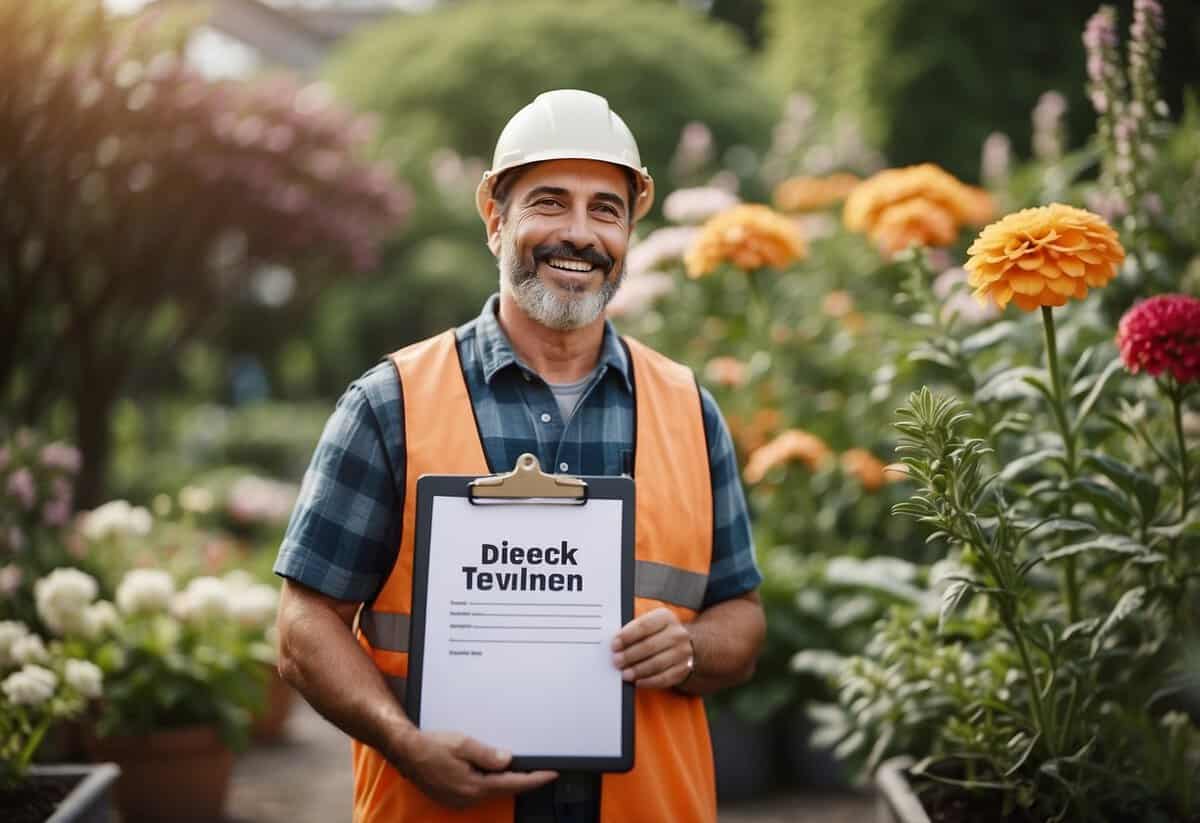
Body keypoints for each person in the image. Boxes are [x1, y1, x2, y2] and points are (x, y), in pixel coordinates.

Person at [273, 89, 766, 823]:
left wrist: (691, 646)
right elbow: (303, 625)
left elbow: (743, 619)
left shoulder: (689, 409)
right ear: (495, 218)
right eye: (549, 202)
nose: (579, 233)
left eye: (606, 209)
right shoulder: (389, 403)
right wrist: (404, 742)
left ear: (631, 231)